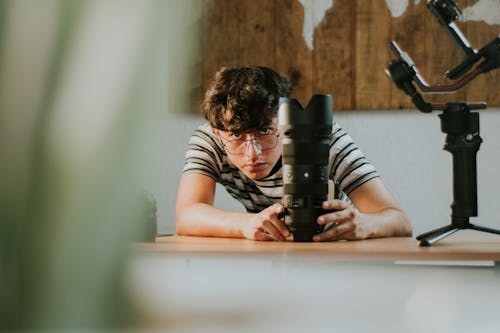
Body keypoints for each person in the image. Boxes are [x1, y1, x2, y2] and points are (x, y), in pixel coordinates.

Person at [175, 66, 412, 241]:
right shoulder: (210, 139)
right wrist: (246, 224)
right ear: (218, 132)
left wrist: (365, 224)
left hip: (333, 249)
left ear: (284, 120)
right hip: (271, 252)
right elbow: (187, 214)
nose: (253, 153)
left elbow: (400, 220)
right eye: (237, 136)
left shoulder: (323, 138)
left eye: (265, 131)